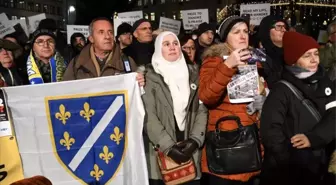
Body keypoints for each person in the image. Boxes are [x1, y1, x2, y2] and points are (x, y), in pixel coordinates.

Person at [260, 31, 336, 185]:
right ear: (294, 60)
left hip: (318, 163)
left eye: (316, 53)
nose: (314, 59)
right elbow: (270, 130)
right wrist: (289, 159)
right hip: (289, 170)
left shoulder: (324, 82)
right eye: (307, 56)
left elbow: (334, 115)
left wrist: (313, 138)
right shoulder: (281, 90)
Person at [199, 16, 265, 184]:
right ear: (225, 37)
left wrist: (263, 99)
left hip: (252, 141)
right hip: (227, 144)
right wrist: (228, 65)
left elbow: (263, 92)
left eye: (245, 31)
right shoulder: (213, 61)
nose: (243, 36)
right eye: (236, 32)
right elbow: (206, 96)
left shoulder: (254, 62)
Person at [142, 31, 207, 185]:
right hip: (161, 156)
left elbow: (201, 109)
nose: (172, 47)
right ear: (159, 49)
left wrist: (195, 140)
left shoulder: (194, 73)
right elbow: (148, 116)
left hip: (190, 153)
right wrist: (168, 147)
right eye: (166, 44)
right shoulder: (149, 77)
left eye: (175, 43)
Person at [63, 17, 144, 87]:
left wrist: (140, 83)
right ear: (91, 38)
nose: (107, 36)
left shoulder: (127, 62)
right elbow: (65, 93)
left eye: (110, 32)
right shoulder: (76, 64)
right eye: (101, 32)